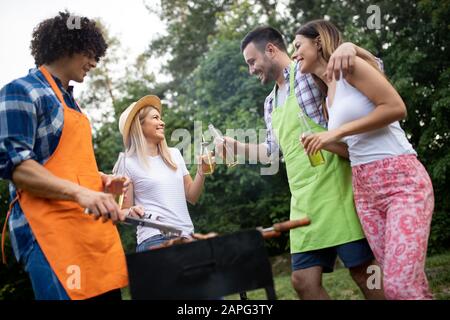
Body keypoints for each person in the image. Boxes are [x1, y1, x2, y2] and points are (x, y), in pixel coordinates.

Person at [218, 26, 386, 300]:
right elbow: (273, 152)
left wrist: (350, 48)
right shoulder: (270, 103)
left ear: (271, 50)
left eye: (252, 61)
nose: (251, 70)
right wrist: (235, 146)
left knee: (364, 271)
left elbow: (372, 68)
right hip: (303, 201)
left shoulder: (306, 72)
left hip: (336, 188)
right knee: (303, 281)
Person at [294, 20, 434, 300]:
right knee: (398, 283)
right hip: (366, 192)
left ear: (318, 42)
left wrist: (337, 131)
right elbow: (353, 149)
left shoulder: (350, 66)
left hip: (400, 181)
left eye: (298, 46)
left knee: (400, 286)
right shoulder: (327, 99)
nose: (295, 53)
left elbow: (396, 108)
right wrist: (327, 143)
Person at [0, 12, 129, 300]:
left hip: (90, 235)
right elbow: (17, 166)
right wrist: (81, 194)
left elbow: (62, 166)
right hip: (50, 234)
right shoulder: (21, 91)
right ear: (68, 45)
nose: (95, 62)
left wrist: (100, 182)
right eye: (91, 53)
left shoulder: (71, 102)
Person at [113, 95, 207, 251]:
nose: (162, 122)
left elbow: (192, 196)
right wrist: (130, 212)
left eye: (160, 118)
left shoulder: (174, 154)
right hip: (154, 239)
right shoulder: (126, 163)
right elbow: (122, 211)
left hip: (187, 236)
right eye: (155, 118)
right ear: (140, 125)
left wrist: (201, 172)